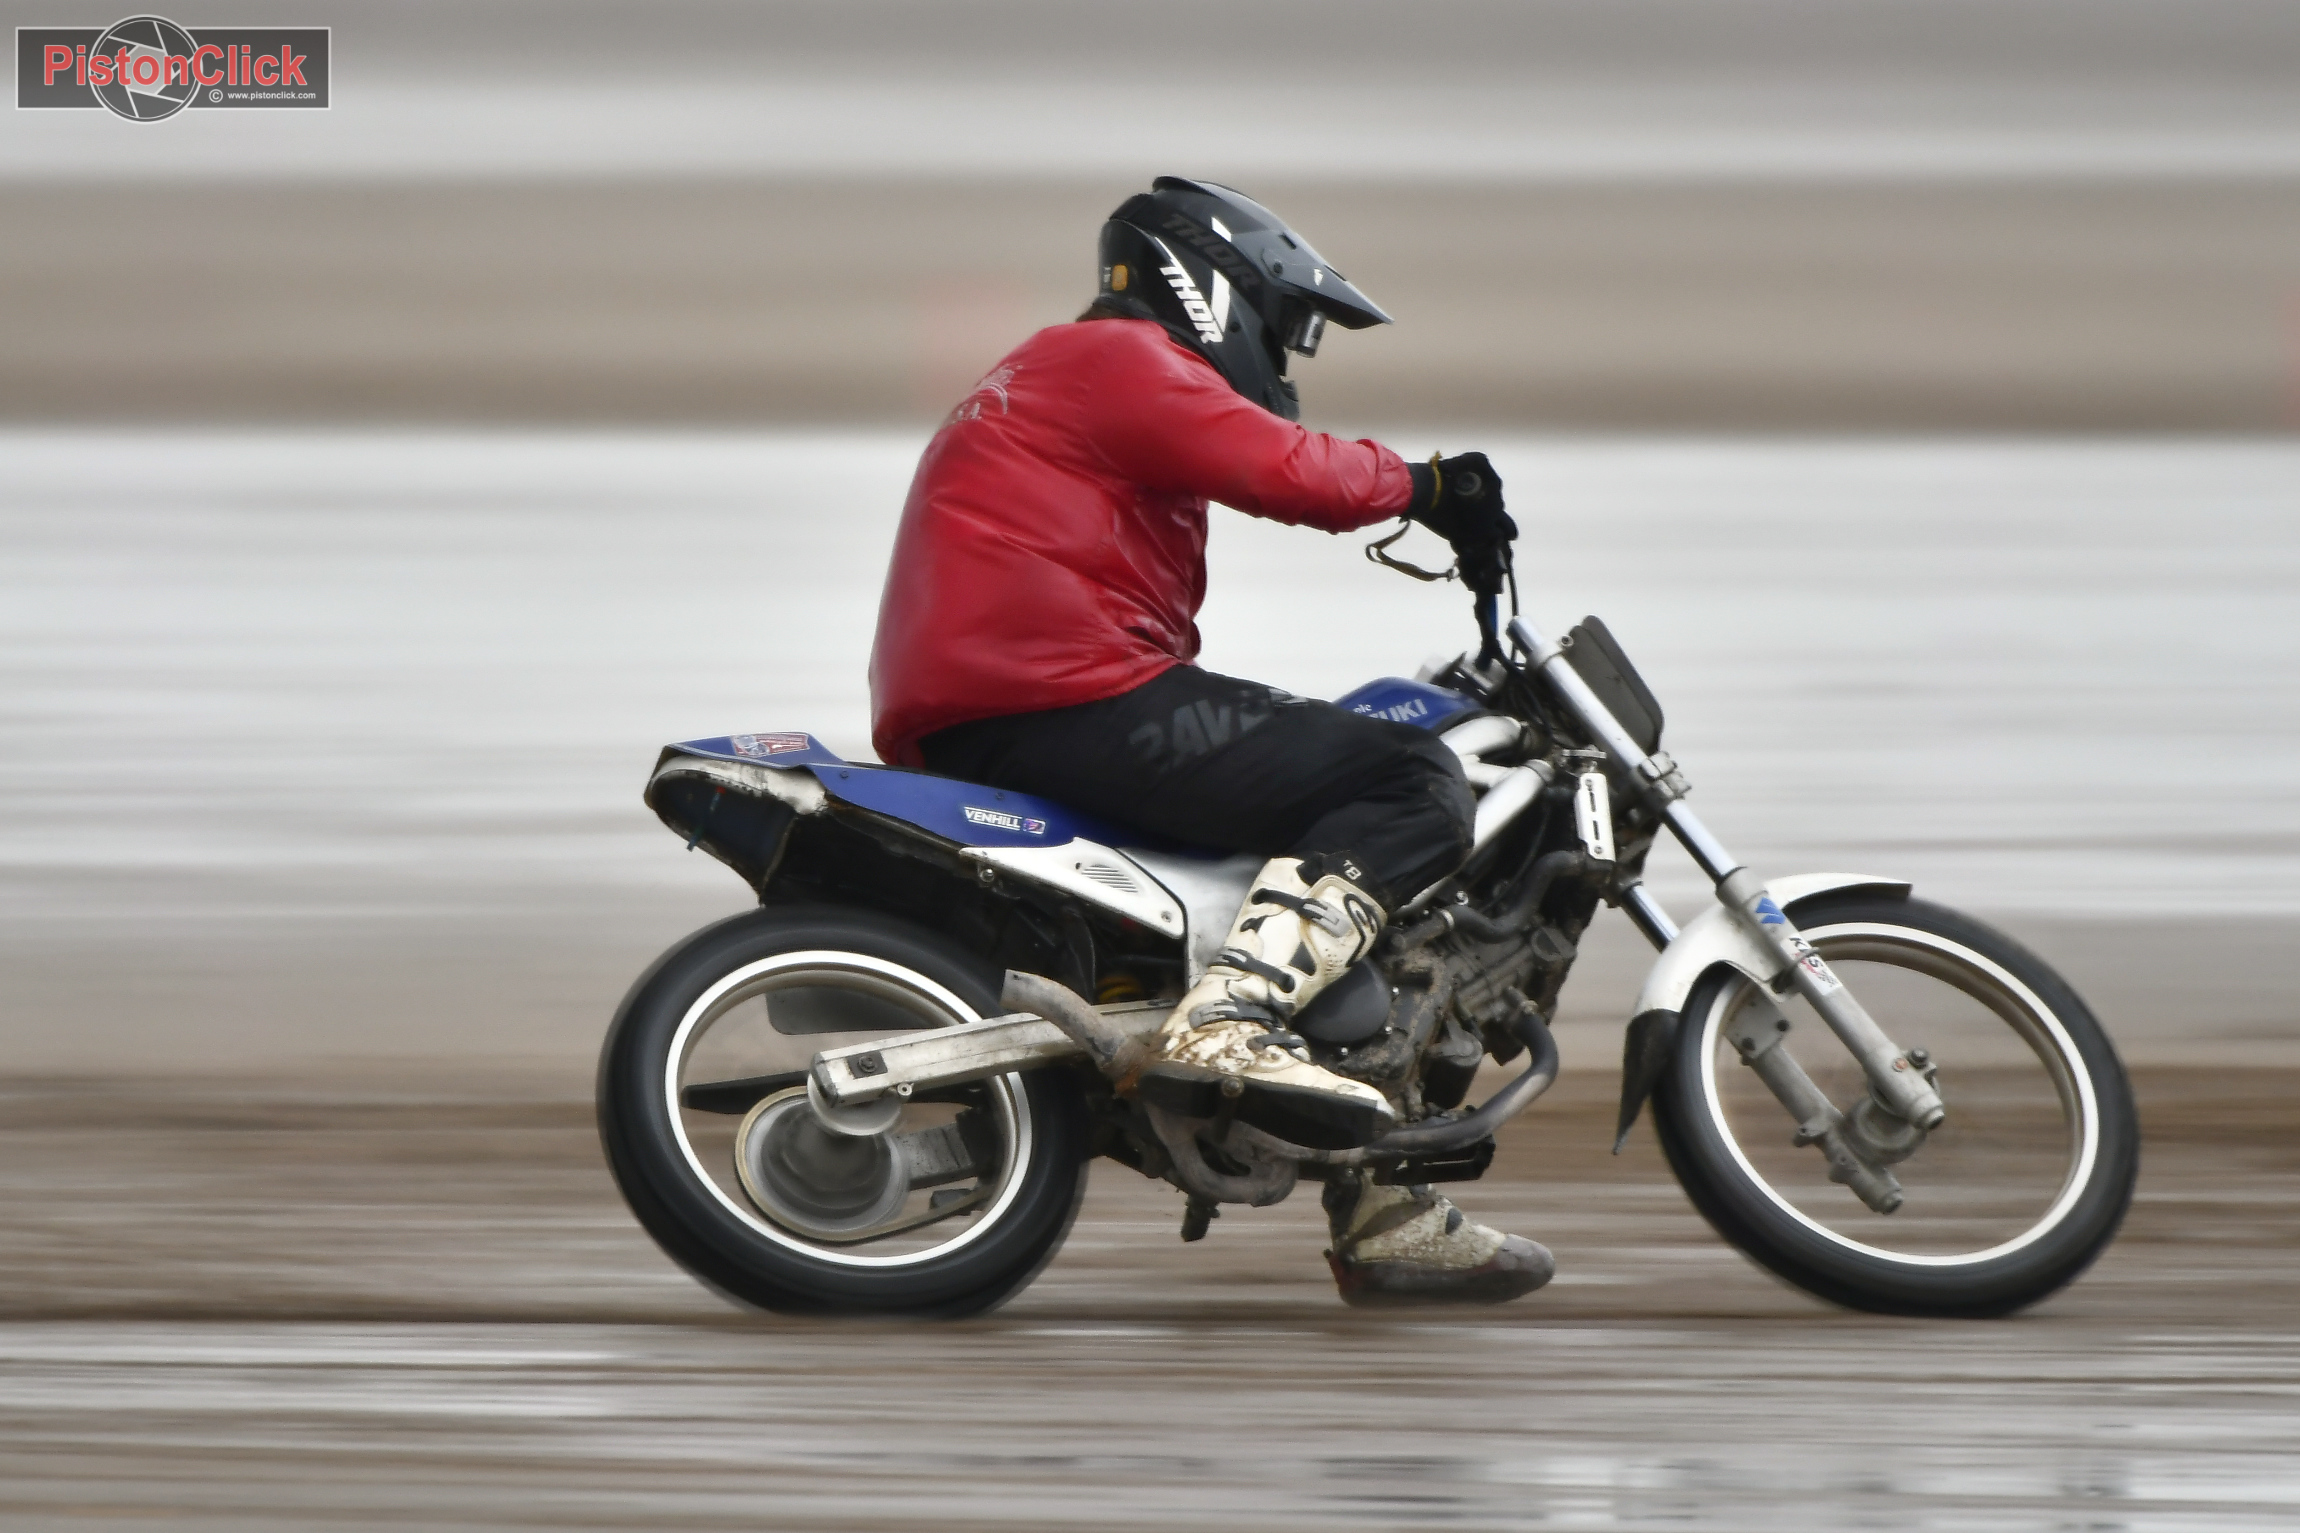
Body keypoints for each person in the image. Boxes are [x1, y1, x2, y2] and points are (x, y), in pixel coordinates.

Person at [869, 177, 1550, 1304]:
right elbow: (1286, 469)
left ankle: (1382, 1203)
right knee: (1409, 781)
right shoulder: (1116, 358)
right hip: (1062, 695)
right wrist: (1431, 486)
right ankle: (1230, 1019)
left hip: (1002, 706)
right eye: (1285, 328)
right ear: (1216, 288)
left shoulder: (1052, 373)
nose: (1283, 358)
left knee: (1316, 828)